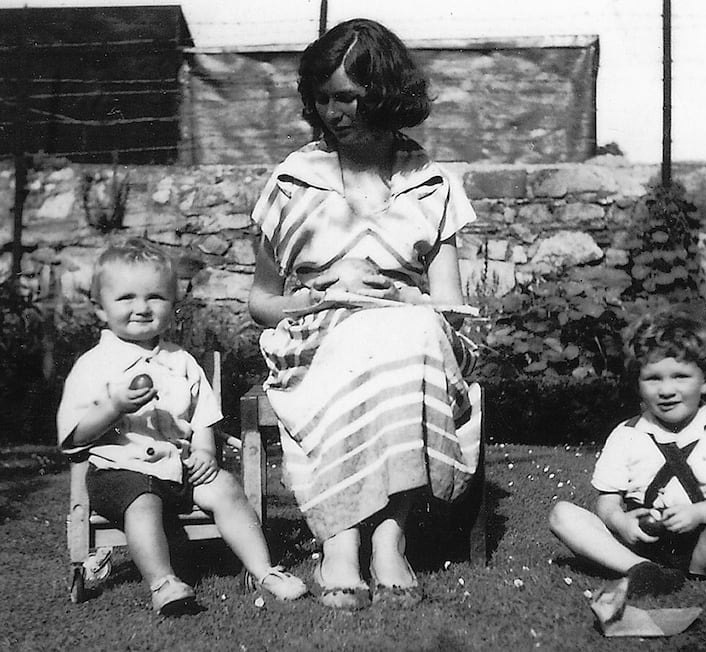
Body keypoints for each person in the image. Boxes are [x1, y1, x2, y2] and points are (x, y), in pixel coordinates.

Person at [248, 18, 481, 610]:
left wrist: (415, 301)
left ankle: (386, 539)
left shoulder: (432, 187)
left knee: (408, 329)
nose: (333, 112)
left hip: (413, 337)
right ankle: (343, 540)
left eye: (348, 98)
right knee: (378, 339)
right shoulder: (290, 184)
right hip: (316, 339)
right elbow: (260, 301)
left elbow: (450, 308)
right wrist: (297, 304)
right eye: (322, 98)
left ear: (383, 95)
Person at [57, 238, 307, 616]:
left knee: (225, 487)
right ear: (100, 308)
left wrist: (205, 451)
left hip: (179, 468)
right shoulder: (94, 365)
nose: (141, 308)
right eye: (126, 298)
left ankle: (263, 570)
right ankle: (163, 582)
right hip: (119, 472)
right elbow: (75, 435)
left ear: (172, 306)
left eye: (155, 297)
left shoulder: (182, 361)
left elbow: (203, 415)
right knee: (142, 503)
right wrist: (112, 407)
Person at [548, 309, 706, 617]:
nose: (666, 390)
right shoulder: (626, 434)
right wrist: (621, 522)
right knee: (562, 514)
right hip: (640, 544)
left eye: (680, 376)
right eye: (653, 379)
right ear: (638, 383)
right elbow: (608, 503)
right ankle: (645, 572)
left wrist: (699, 512)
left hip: (702, 548)